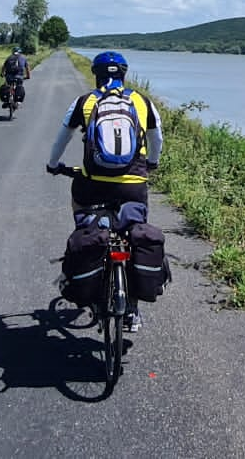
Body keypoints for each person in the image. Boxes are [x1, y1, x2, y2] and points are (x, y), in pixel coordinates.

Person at [47, 50, 163, 331]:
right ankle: (132, 307)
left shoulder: (85, 102)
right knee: (135, 227)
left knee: (82, 213)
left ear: (95, 74)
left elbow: (63, 136)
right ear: (125, 74)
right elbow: (156, 136)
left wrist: (53, 164)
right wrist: (152, 163)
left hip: (92, 183)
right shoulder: (141, 101)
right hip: (133, 184)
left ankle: (84, 250)